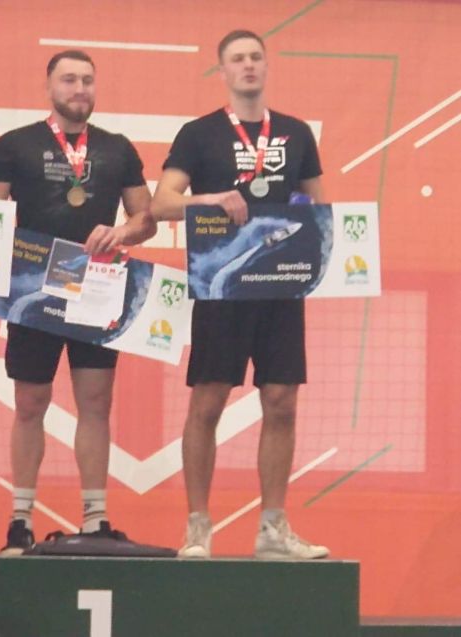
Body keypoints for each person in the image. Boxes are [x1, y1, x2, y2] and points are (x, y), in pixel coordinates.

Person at [151, 30, 329, 559]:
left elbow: (321, 211)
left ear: (266, 66)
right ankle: (197, 529)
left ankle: (273, 530)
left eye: (255, 57)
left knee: (282, 402)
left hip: (280, 288)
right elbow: (161, 203)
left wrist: (308, 229)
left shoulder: (296, 133)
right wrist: (209, 200)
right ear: (222, 70)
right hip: (221, 286)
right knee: (207, 402)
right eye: (237, 59)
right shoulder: (199, 134)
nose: (248, 65)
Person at [0, 50, 156, 554]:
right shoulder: (14, 145)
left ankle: (96, 519)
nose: (79, 89)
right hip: (34, 289)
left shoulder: (118, 148)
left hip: (97, 287)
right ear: (49, 86)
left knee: (95, 404)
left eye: (87, 80)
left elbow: (145, 219)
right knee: (30, 403)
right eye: (69, 79)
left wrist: (122, 232)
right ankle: (20, 520)